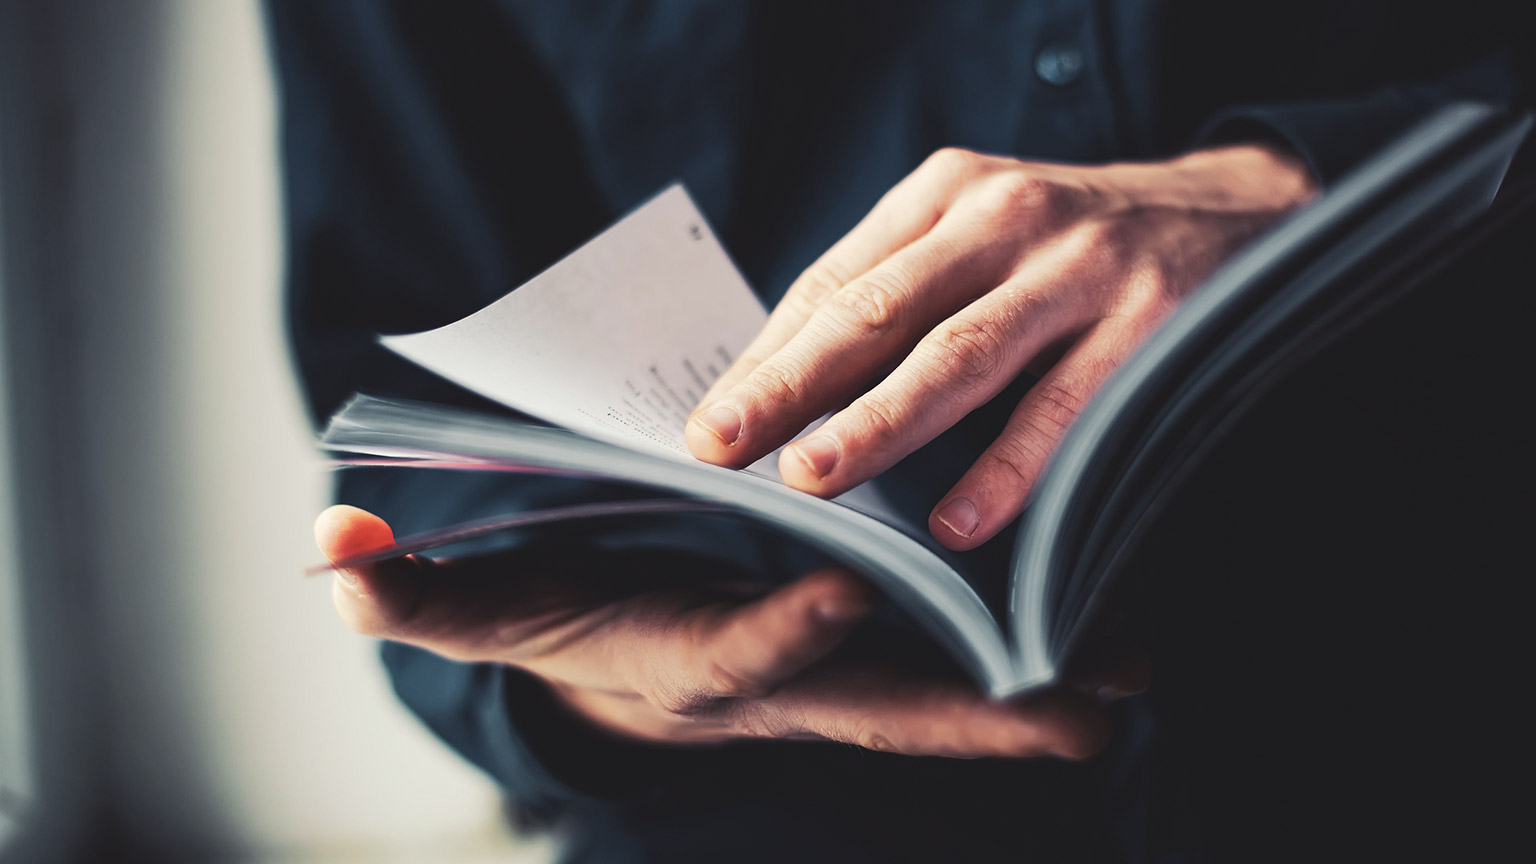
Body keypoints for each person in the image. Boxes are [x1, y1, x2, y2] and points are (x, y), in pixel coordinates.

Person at [265, 2, 1529, 860]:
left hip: (1454, 713)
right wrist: (594, 684)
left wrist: (1325, 187)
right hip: (764, 805)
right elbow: (423, 323)